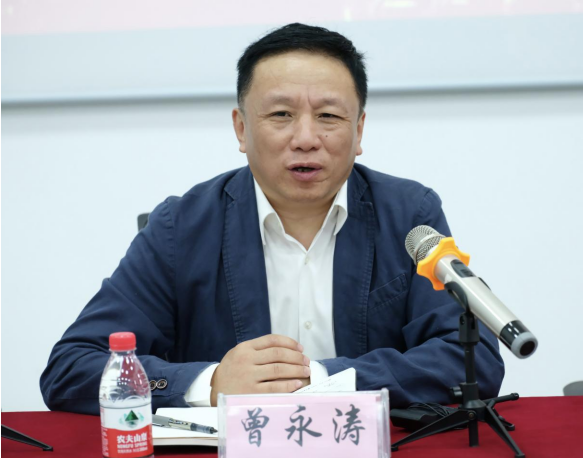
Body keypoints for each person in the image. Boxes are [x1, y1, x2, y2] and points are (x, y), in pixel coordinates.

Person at [41, 23, 504, 415]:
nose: (306, 138)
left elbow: (472, 361)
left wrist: (322, 381)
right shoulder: (181, 227)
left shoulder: (408, 215)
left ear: (359, 129)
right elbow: (73, 367)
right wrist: (210, 384)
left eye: (328, 115)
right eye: (281, 114)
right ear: (242, 128)